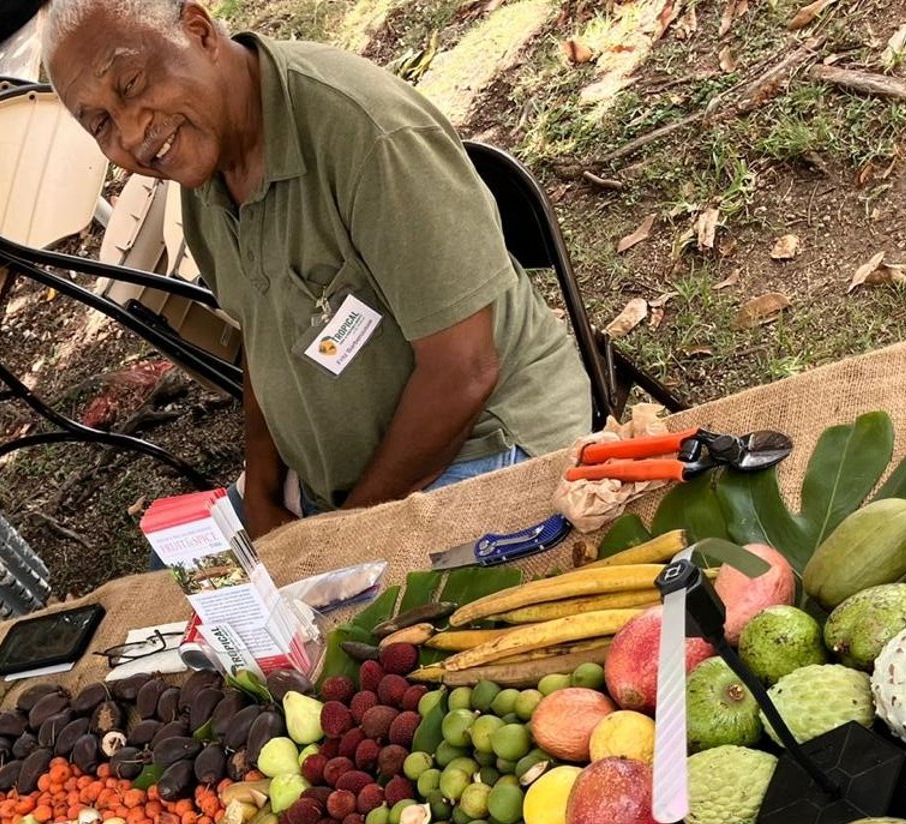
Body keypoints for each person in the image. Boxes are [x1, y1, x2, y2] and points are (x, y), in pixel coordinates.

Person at [44, 0, 593, 535]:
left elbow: (465, 370)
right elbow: (266, 340)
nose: (132, 135)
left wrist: (340, 536)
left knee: (374, 604)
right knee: (186, 575)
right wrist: (261, 491)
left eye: (131, 84)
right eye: (100, 123)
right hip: (346, 491)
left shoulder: (367, 133)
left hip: (489, 445)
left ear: (200, 31)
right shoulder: (202, 166)